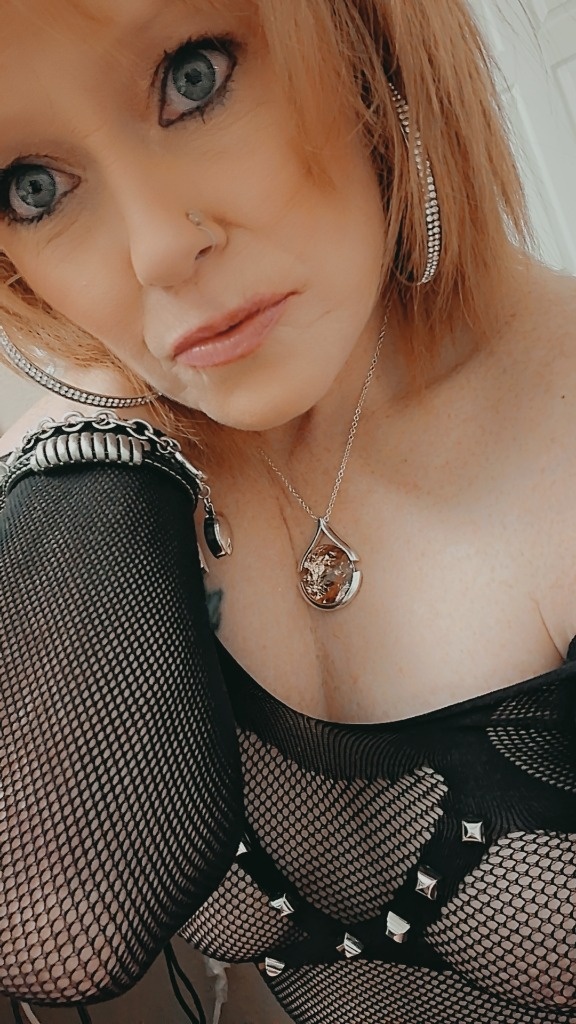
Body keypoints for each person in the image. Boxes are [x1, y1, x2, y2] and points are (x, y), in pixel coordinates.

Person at [0, 0, 575, 1022]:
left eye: (194, 78)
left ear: (366, 37)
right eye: (29, 188)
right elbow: (56, 922)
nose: (154, 253)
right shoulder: (108, 469)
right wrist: (94, 419)